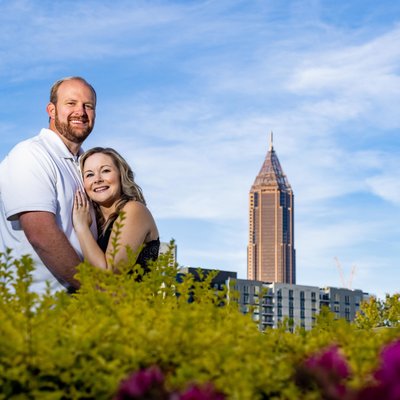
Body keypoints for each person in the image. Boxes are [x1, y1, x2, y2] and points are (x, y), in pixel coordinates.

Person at [0, 77, 97, 293]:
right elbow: (41, 235)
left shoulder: (85, 166)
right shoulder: (30, 154)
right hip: (37, 305)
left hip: (78, 304)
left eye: (88, 106)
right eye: (71, 103)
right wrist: (97, 290)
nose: (80, 112)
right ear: (51, 110)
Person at [72, 147, 160, 275]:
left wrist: (81, 227)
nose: (97, 179)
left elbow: (110, 273)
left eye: (105, 171)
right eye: (90, 174)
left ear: (120, 175)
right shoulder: (96, 222)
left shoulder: (134, 210)